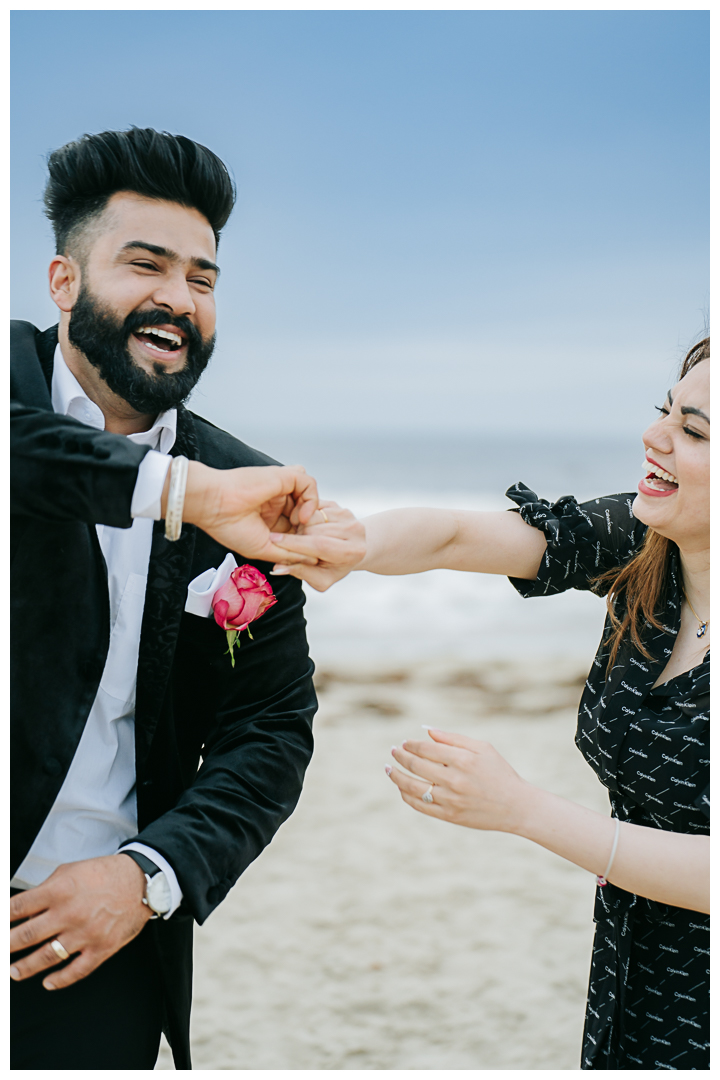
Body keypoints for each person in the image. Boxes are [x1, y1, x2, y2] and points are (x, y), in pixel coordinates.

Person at [269, 339, 710, 1070]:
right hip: (636, 966)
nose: (653, 435)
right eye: (663, 411)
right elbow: (456, 534)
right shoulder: (645, 544)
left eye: (692, 430)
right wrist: (348, 543)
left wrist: (522, 809)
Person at [10, 126, 327, 1070]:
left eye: (201, 276)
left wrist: (148, 878)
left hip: (84, 942)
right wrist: (182, 495)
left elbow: (271, 729)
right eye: (144, 264)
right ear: (64, 281)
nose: (175, 299)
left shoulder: (247, 484)